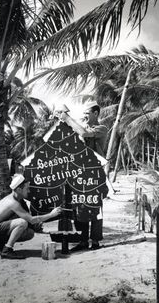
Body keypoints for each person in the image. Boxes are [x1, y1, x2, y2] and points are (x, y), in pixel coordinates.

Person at [55, 101, 109, 252]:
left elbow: (84, 133)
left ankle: (95, 241)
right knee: (80, 207)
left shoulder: (101, 128)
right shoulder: (81, 128)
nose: (84, 116)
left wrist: (67, 118)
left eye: (87, 113)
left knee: (95, 207)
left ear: (96, 113)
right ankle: (83, 240)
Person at [0, 174, 62, 259]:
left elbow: (31, 222)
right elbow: (31, 220)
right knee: (22, 223)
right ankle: (7, 250)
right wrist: (51, 214)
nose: (29, 191)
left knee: (29, 233)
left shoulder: (19, 200)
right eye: (27, 189)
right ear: (19, 189)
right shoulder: (12, 202)